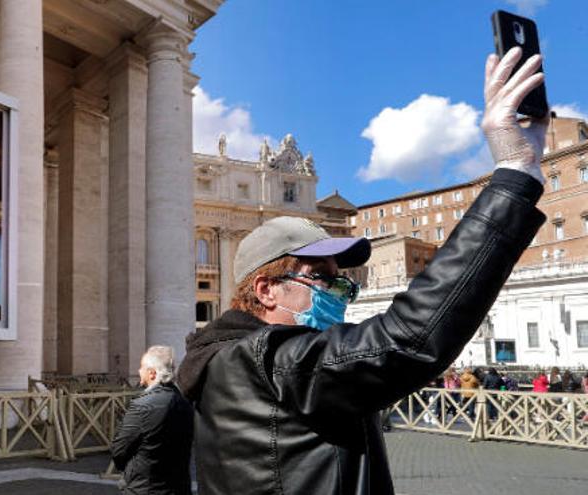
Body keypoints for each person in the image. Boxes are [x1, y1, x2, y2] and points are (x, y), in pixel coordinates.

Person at [177, 47, 548, 494]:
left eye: (342, 281)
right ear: (267, 289)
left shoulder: (230, 364)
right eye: (322, 277)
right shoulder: (263, 360)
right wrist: (515, 173)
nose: (338, 290)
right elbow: (407, 337)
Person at [111, 346, 194, 495]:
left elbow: (119, 451)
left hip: (144, 487)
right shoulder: (184, 402)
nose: (138, 371)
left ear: (152, 373)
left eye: (142, 367)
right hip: (178, 487)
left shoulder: (142, 405)